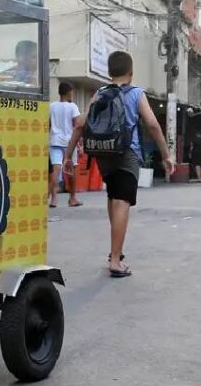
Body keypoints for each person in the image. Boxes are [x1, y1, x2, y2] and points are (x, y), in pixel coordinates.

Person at [65, 51, 175, 278]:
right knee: (122, 202)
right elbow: (153, 125)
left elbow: (79, 125)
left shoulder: (100, 92)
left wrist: (68, 156)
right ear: (131, 73)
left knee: (113, 197)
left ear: (109, 72)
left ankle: (116, 251)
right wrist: (166, 155)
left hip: (103, 154)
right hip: (126, 153)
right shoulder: (136, 93)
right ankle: (115, 260)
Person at [49, 81, 82, 208]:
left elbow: (49, 124)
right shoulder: (73, 107)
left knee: (55, 171)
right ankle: (72, 198)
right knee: (71, 171)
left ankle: (54, 199)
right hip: (69, 143)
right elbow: (78, 124)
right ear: (68, 92)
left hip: (55, 141)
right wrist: (79, 143)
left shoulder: (52, 106)